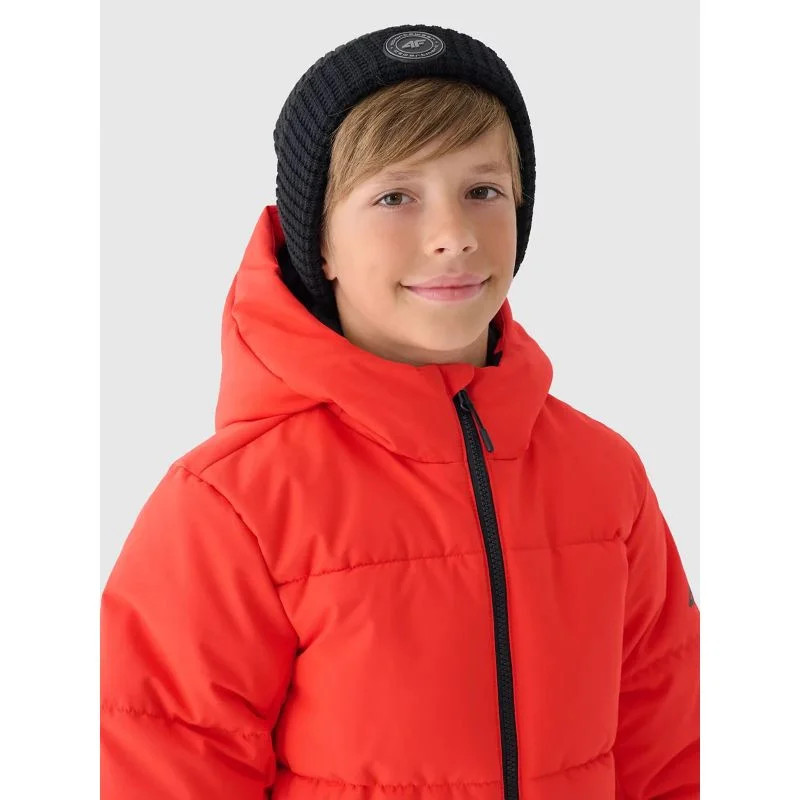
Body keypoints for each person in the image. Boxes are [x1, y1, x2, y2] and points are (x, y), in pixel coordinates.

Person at [100, 24, 700, 799]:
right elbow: (161, 767)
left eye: (483, 191)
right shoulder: (232, 506)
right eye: (394, 197)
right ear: (319, 242)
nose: (454, 236)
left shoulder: (604, 474)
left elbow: (670, 751)